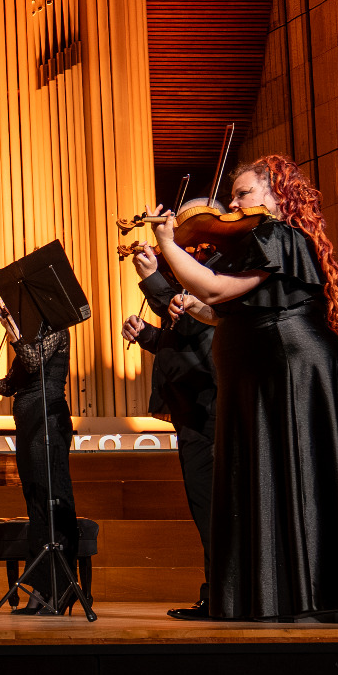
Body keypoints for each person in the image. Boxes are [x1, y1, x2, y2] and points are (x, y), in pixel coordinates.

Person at [150, 155, 338, 622]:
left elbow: (217, 291)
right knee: (272, 473)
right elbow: (224, 311)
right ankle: (276, 595)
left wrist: (166, 243)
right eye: (234, 196)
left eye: (243, 194)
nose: (232, 206)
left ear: (277, 194)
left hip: (290, 368)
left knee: (295, 470)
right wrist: (191, 304)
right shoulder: (257, 242)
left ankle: (308, 598)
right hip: (264, 371)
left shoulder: (277, 234)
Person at [122, 231, 219, 620]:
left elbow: (194, 324)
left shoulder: (216, 273)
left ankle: (224, 596)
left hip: (211, 404)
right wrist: (147, 335)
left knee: (214, 508)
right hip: (190, 410)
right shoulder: (192, 283)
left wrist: (152, 278)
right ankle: (218, 595)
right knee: (205, 509)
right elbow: (182, 341)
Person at [0, 302, 78, 614]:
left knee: (52, 500)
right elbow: (13, 384)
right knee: (36, 504)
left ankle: (59, 588)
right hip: (29, 424)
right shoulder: (30, 338)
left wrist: (12, 329)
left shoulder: (56, 329)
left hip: (47, 421)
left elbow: (34, 363)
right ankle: (41, 589)